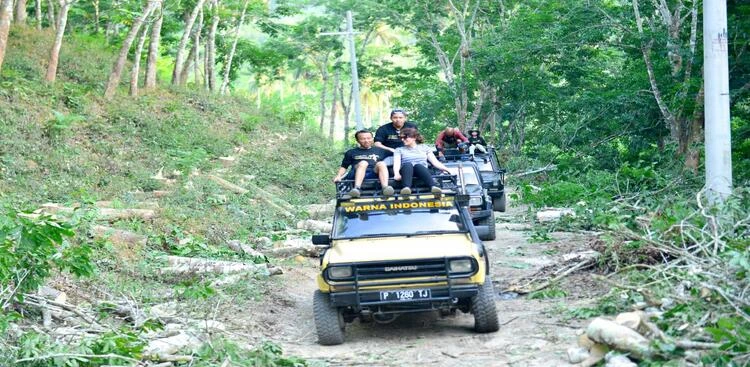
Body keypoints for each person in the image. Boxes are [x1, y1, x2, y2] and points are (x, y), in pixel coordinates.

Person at [333, 130, 394, 198]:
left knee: (381, 163)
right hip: (356, 173)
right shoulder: (351, 152)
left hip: (373, 173)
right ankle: (357, 188)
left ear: (372, 139)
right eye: (363, 139)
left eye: (368, 138)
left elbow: (398, 155)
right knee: (363, 163)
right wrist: (338, 176)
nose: (366, 141)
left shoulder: (380, 151)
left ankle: (385, 188)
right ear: (357, 140)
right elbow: (344, 166)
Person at [393, 127, 451, 195]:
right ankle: (406, 189)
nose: (403, 140)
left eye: (405, 137)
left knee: (418, 166)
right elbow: (397, 163)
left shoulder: (424, 147)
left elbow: (435, 162)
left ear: (414, 138)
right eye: (401, 138)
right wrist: (396, 173)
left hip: (421, 170)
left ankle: (433, 187)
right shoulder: (399, 150)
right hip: (406, 171)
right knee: (408, 164)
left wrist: (447, 169)